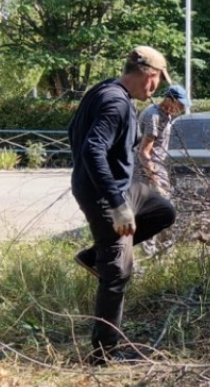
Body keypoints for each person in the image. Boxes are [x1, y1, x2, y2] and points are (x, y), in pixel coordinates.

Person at [68, 47, 178, 365]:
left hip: (120, 187)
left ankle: (93, 256)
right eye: (156, 80)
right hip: (105, 194)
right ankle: (105, 353)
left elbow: (74, 133)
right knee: (117, 273)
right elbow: (91, 149)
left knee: (163, 211)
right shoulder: (114, 102)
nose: (155, 88)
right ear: (148, 74)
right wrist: (116, 204)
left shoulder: (105, 91)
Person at [134, 84, 190, 256]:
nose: (181, 109)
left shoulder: (166, 114)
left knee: (166, 211)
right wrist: (153, 177)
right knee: (155, 212)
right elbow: (144, 151)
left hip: (159, 167)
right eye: (179, 105)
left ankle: (165, 252)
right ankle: (149, 254)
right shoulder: (153, 117)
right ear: (169, 99)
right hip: (147, 170)